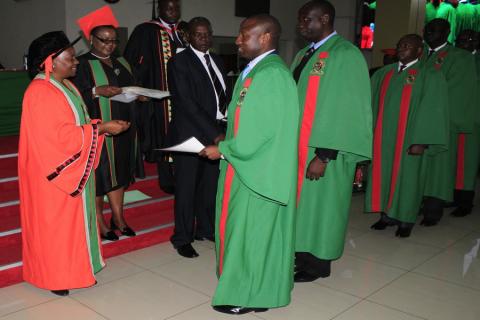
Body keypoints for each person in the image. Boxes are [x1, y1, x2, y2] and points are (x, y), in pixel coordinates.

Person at [200, 14, 299, 314]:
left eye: (244, 35)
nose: (238, 40)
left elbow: (262, 132)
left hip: (259, 170)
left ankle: (248, 295)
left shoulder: (271, 74)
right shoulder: (253, 71)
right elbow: (248, 120)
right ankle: (255, 291)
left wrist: (224, 148)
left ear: (266, 38)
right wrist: (227, 135)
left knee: (253, 235)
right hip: (246, 166)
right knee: (246, 233)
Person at [19, 31, 130, 296]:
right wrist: (101, 128)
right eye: (70, 58)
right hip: (52, 176)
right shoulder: (39, 92)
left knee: (71, 228)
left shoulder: (64, 85)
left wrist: (98, 128)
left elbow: (74, 126)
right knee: (55, 229)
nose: (77, 62)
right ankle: (54, 276)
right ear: (50, 62)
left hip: (69, 167)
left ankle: (75, 268)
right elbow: (55, 139)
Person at [293, 0, 372, 282]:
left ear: (325, 18)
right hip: (302, 145)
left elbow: (348, 108)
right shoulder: (305, 53)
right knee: (305, 206)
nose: (301, 25)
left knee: (324, 208)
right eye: (300, 20)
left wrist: (324, 155)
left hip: (326, 151)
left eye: (306, 19)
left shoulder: (345, 54)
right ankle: (302, 254)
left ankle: (318, 264)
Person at [365, 34, 449, 237]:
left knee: (408, 180)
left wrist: (422, 141)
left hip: (409, 139)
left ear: (419, 51)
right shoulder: (383, 74)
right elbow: (369, 105)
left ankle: (406, 219)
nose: (401, 48)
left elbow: (433, 110)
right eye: (399, 45)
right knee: (383, 175)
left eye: (407, 46)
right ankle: (386, 215)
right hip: (383, 139)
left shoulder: (430, 75)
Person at [72, 6, 141, 240]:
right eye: (105, 40)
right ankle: (100, 222)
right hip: (99, 129)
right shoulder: (79, 64)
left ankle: (119, 218)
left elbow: (131, 86)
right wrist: (95, 90)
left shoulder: (122, 62)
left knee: (120, 171)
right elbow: (72, 94)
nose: (110, 45)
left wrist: (140, 94)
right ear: (91, 39)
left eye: (114, 40)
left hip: (123, 126)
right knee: (100, 175)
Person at [166, 17, 229, 258]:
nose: (204, 38)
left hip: (216, 129)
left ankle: (205, 228)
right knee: (186, 188)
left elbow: (223, 94)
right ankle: (182, 237)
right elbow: (187, 104)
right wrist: (216, 134)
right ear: (188, 36)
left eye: (208, 33)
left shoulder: (218, 60)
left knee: (209, 186)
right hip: (190, 134)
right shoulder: (179, 62)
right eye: (199, 34)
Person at [124, 0, 186, 194]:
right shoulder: (146, 31)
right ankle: (167, 178)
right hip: (158, 98)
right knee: (163, 134)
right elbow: (132, 62)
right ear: (159, 9)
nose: (173, 11)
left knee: (183, 133)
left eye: (176, 8)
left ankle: (183, 174)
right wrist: (140, 89)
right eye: (168, 7)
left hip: (183, 97)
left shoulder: (184, 31)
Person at [421, 18, 477, 225]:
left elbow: (458, 93)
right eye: (427, 30)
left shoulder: (459, 57)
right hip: (418, 121)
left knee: (438, 169)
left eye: (434, 31)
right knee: (419, 167)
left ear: (446, 33)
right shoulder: (420, 54)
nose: (429, 34)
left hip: (441, 121)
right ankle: (417, 204)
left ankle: (432, 211)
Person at [450, 29, 480, 217]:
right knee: (450, 160)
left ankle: (465, 202)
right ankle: (449, 196)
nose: (466, 42)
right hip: (451, 118)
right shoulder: (450, 59)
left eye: (471, 39)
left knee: (468, 162)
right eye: (461, 39)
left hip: (474, 119)